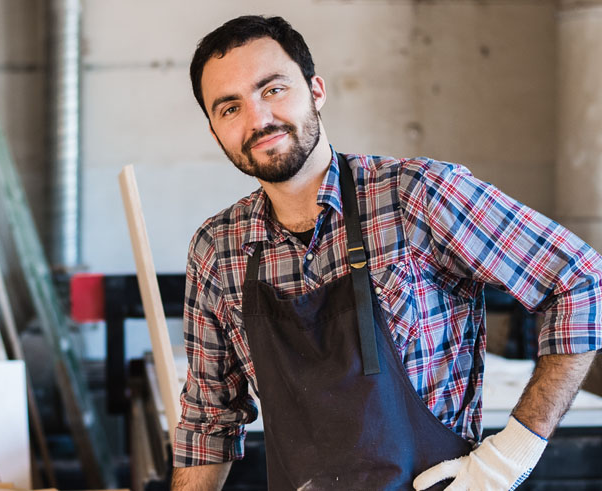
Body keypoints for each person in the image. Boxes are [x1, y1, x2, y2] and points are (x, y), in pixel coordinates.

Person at [173, 15, 601, 490]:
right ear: (215, 132)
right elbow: (209, 422)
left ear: (316, 91)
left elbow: (580, 279)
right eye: (230, 108)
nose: (258, 118)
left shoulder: (416, 195)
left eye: (272, 89)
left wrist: (507, 458)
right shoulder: (218, 248)